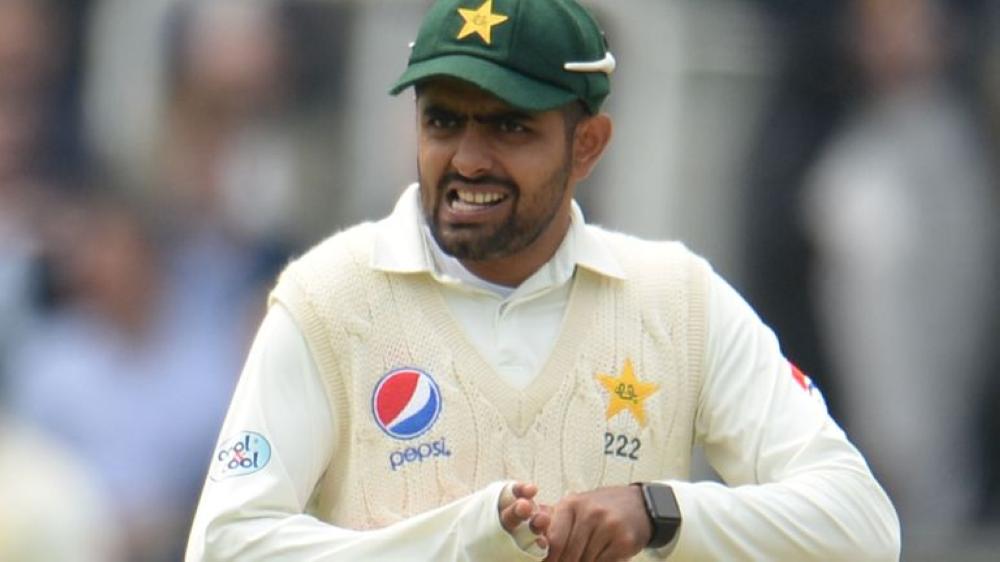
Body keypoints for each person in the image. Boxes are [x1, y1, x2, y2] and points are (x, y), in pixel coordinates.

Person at [186, 1, 900, 560]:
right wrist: (455, 543)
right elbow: (225, 544)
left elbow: (862, 526)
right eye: (443, 121)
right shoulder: (332, 298)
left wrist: (660, 512)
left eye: (509, 128)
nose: (466, 159)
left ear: (587, 145)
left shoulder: (677, 301)